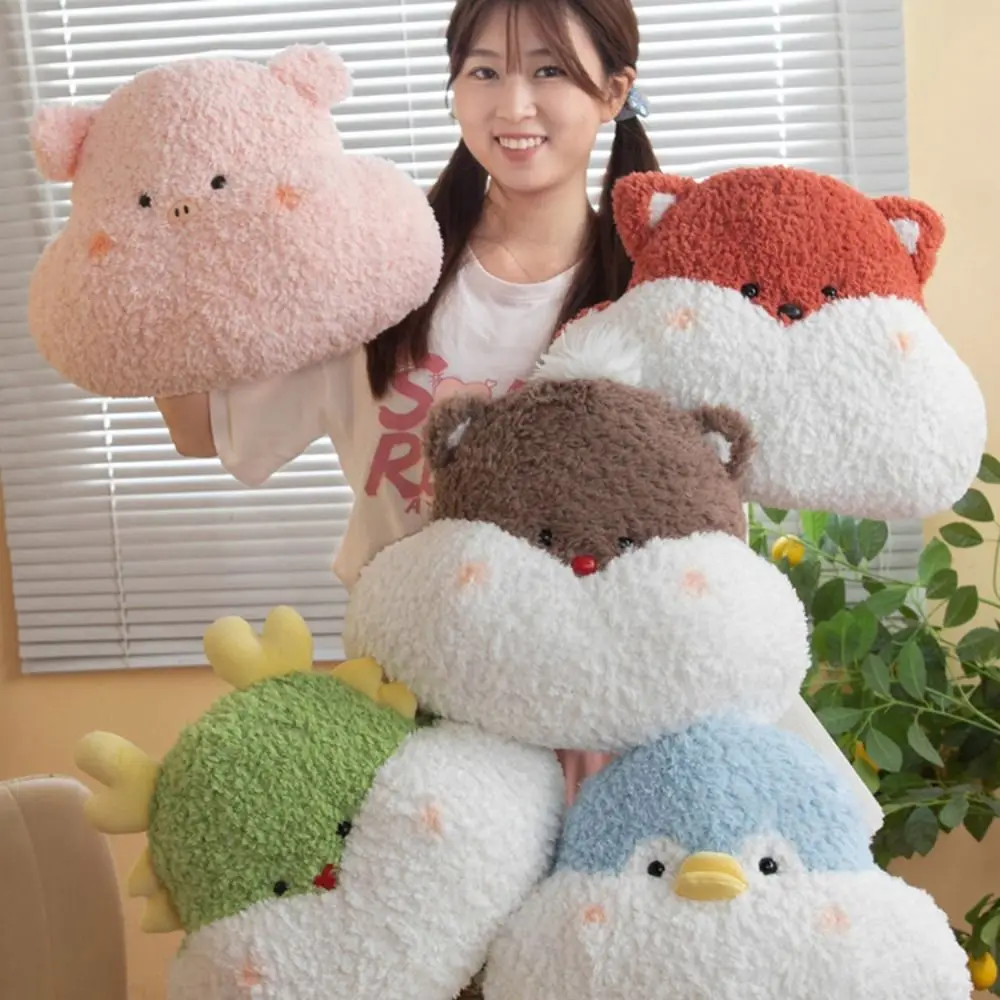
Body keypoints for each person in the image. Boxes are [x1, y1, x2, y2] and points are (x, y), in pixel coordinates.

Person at [155, 0, 659, 800]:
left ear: (612, 91)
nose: (514, 105)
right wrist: (163, 251)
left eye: (549, 71)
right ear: (454, 90)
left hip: (598, 707)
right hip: (411, 696)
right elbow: (196, 429)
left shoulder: (653, 289)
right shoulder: (380, 266)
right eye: (484, 71)